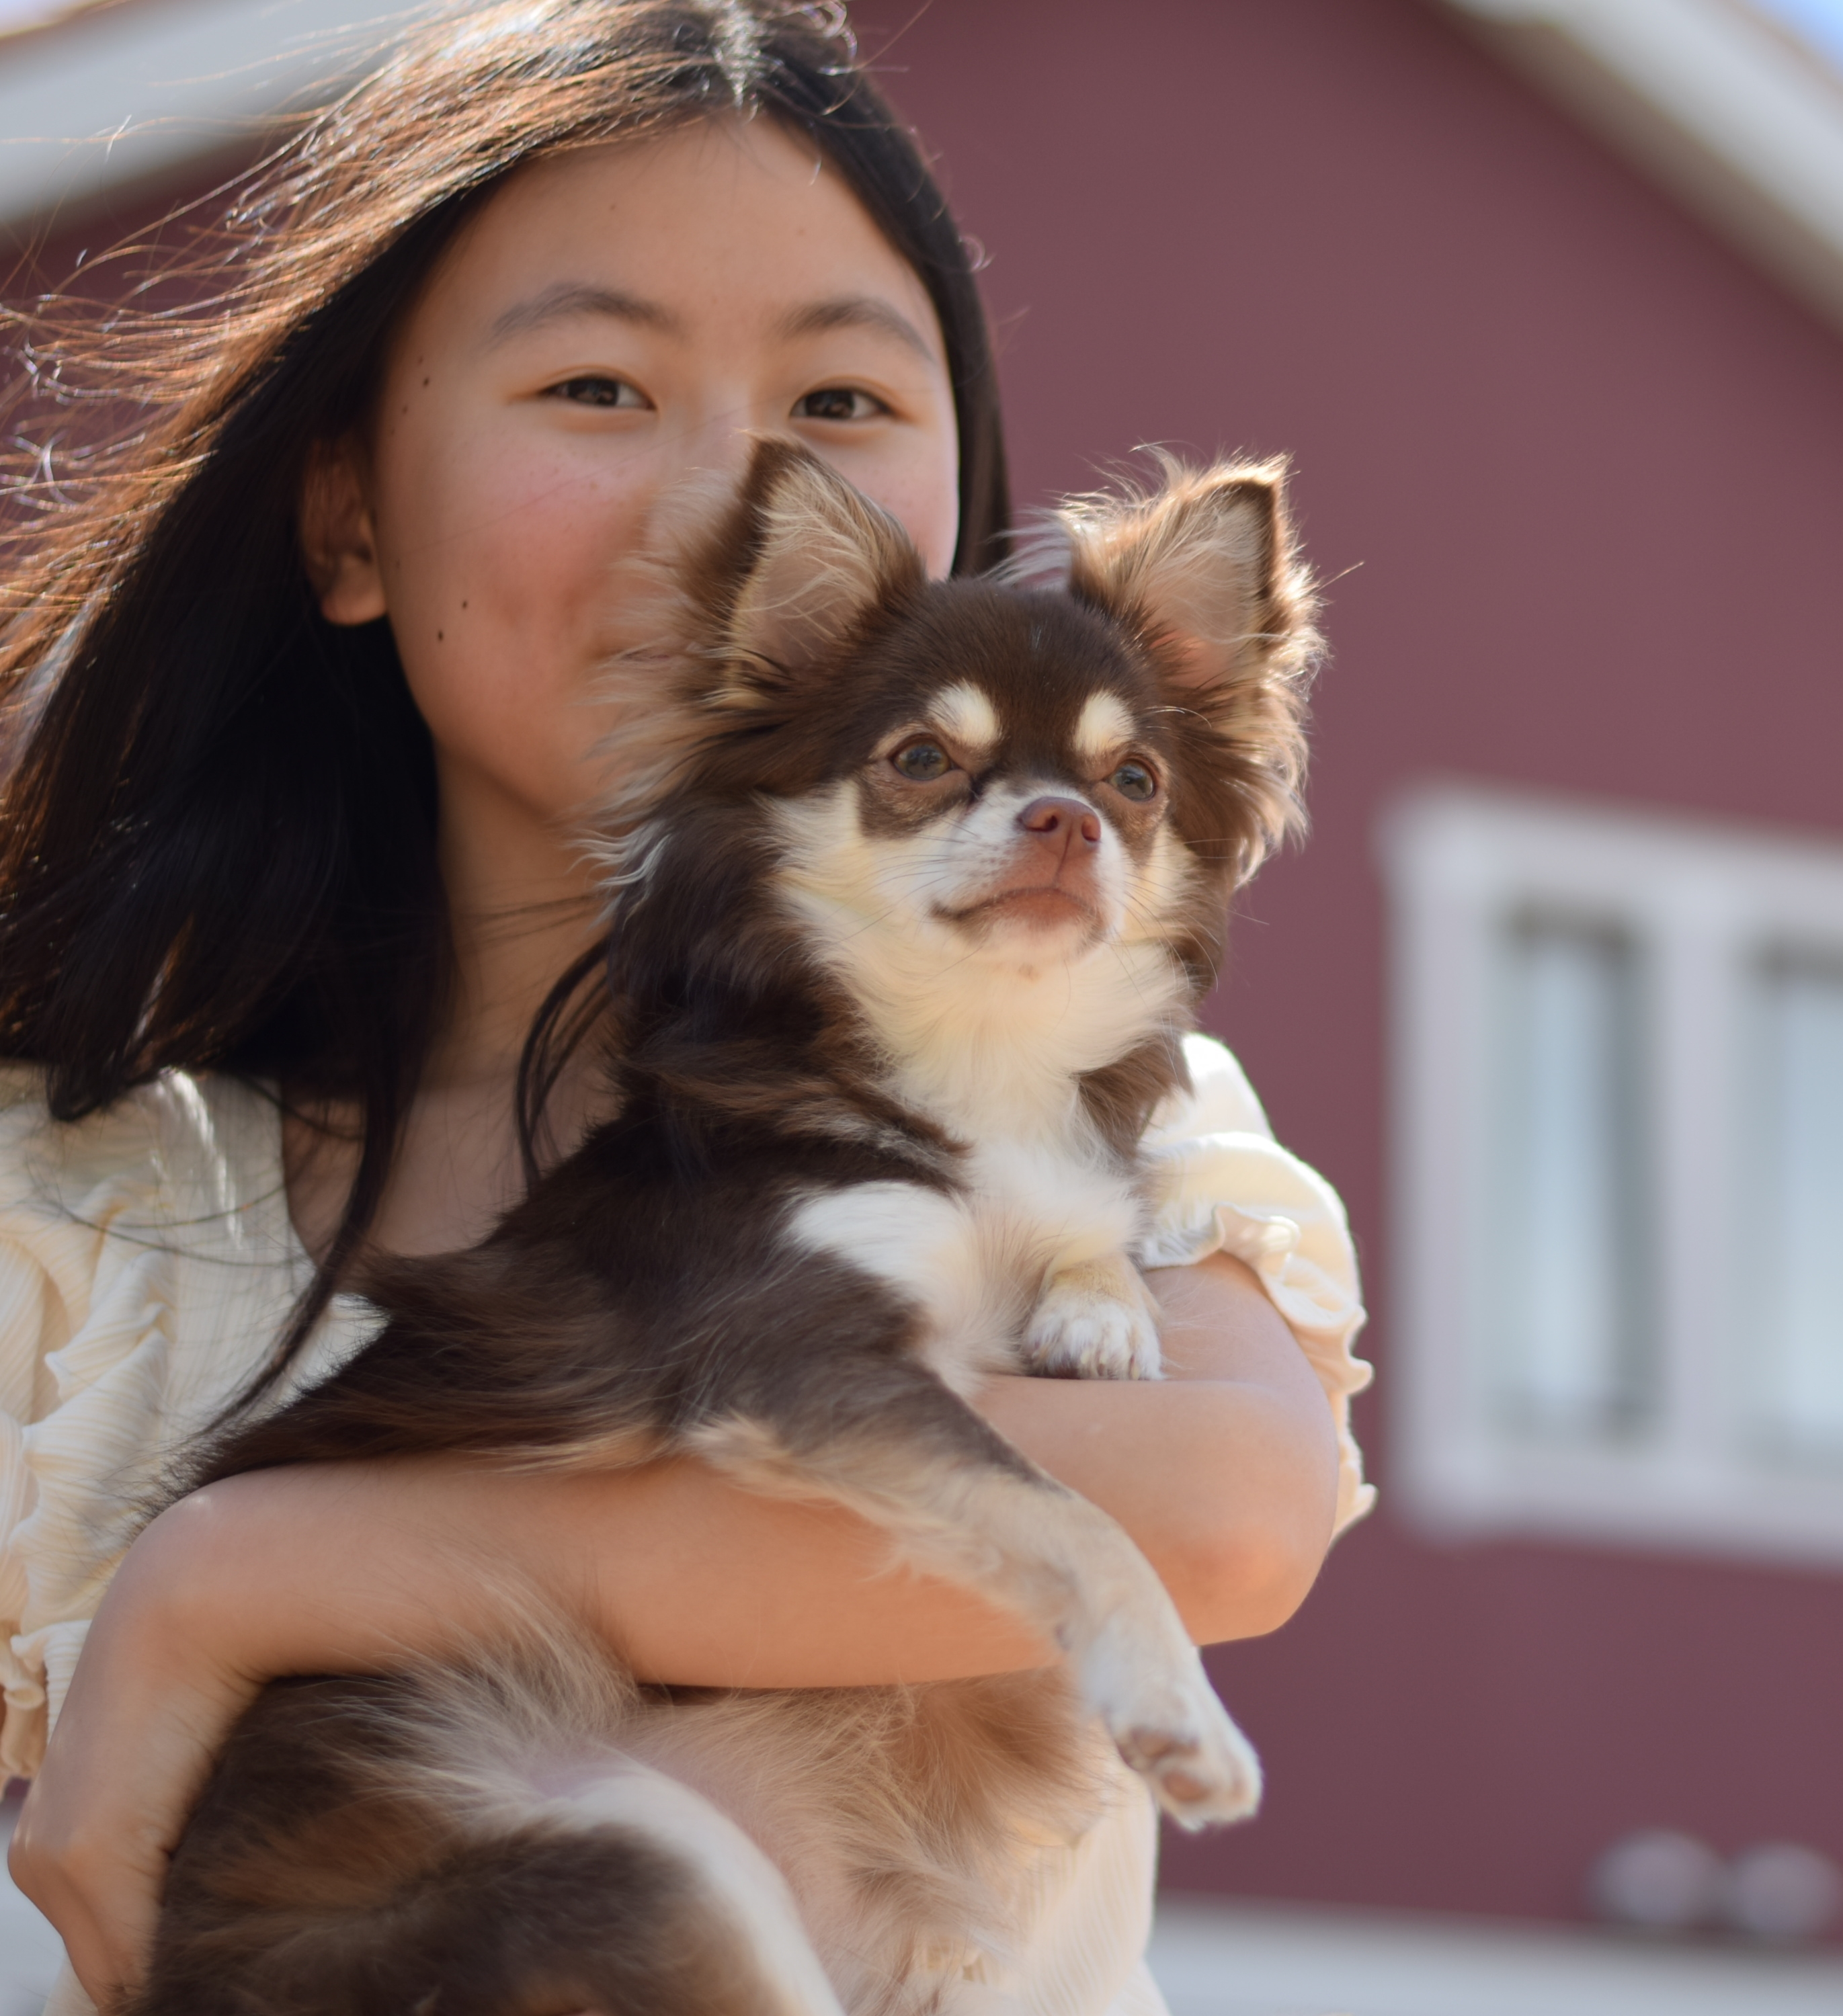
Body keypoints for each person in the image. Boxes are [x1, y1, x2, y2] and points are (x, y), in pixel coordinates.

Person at [0, 5, 1369, 2010]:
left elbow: (1228, 1515)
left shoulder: (1074, 1098)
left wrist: (236, 1580)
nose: (729, 494)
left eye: (836, 403)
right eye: (596, 383)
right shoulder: (66, 1213)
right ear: (349, 520)